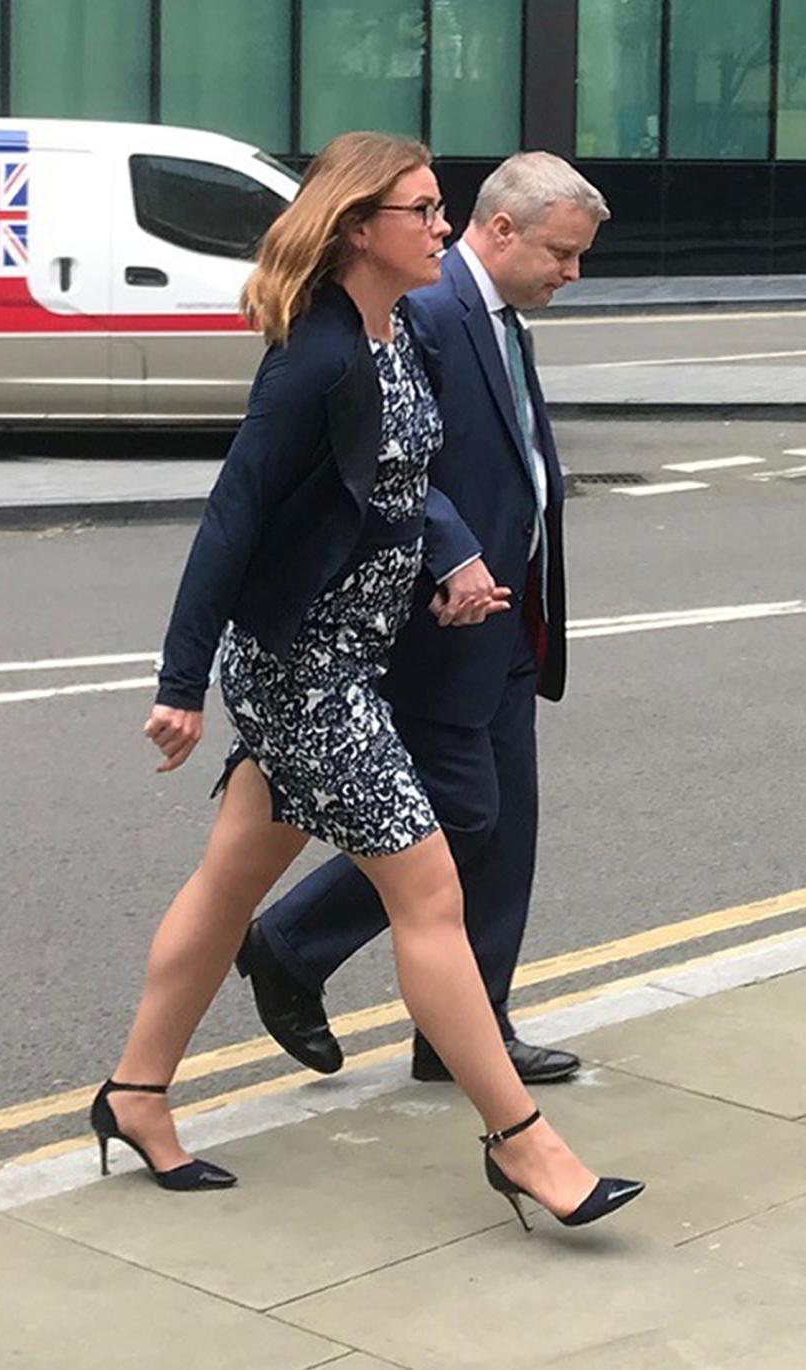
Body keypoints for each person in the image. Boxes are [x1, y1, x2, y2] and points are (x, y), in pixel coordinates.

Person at [90, 131, 641, 1229]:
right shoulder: (320, 353)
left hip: (350, 653)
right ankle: (524, 1143)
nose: (444, 227)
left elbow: (386, 489)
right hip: (306, 674)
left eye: (442, 209)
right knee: (431, 896)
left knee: (227, 886)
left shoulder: (386, 332)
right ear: (359, 229)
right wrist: (179, 679)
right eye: (425, 211)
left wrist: (433, 571)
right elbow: (233, 512)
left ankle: (135, 1094)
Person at [236, 152, 610, 1089]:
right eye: (562, 254)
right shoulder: (436, 310)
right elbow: (398, 461)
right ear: (502, 230)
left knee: (504, 827)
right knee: (455, 815)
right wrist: (454, 556)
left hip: (509, 614)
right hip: (441, 616)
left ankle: (463, 1035)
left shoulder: (497, 314)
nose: (573, 273)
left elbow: (508, 453)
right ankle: (290, 943)